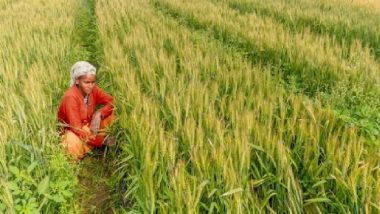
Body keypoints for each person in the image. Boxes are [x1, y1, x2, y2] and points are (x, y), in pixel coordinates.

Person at [58, 61, 115, 160]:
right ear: (77, 81)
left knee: (113, 115)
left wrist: (98, 114)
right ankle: (90, 145)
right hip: (73, 132)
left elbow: (112, 102)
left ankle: (89, 145)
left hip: (88, 127)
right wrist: (101, 141)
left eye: (93, 82)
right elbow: (77, 129)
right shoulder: (70, 97)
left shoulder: (93, 90)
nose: (90, 85)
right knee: (71, 143)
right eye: (86, 82)